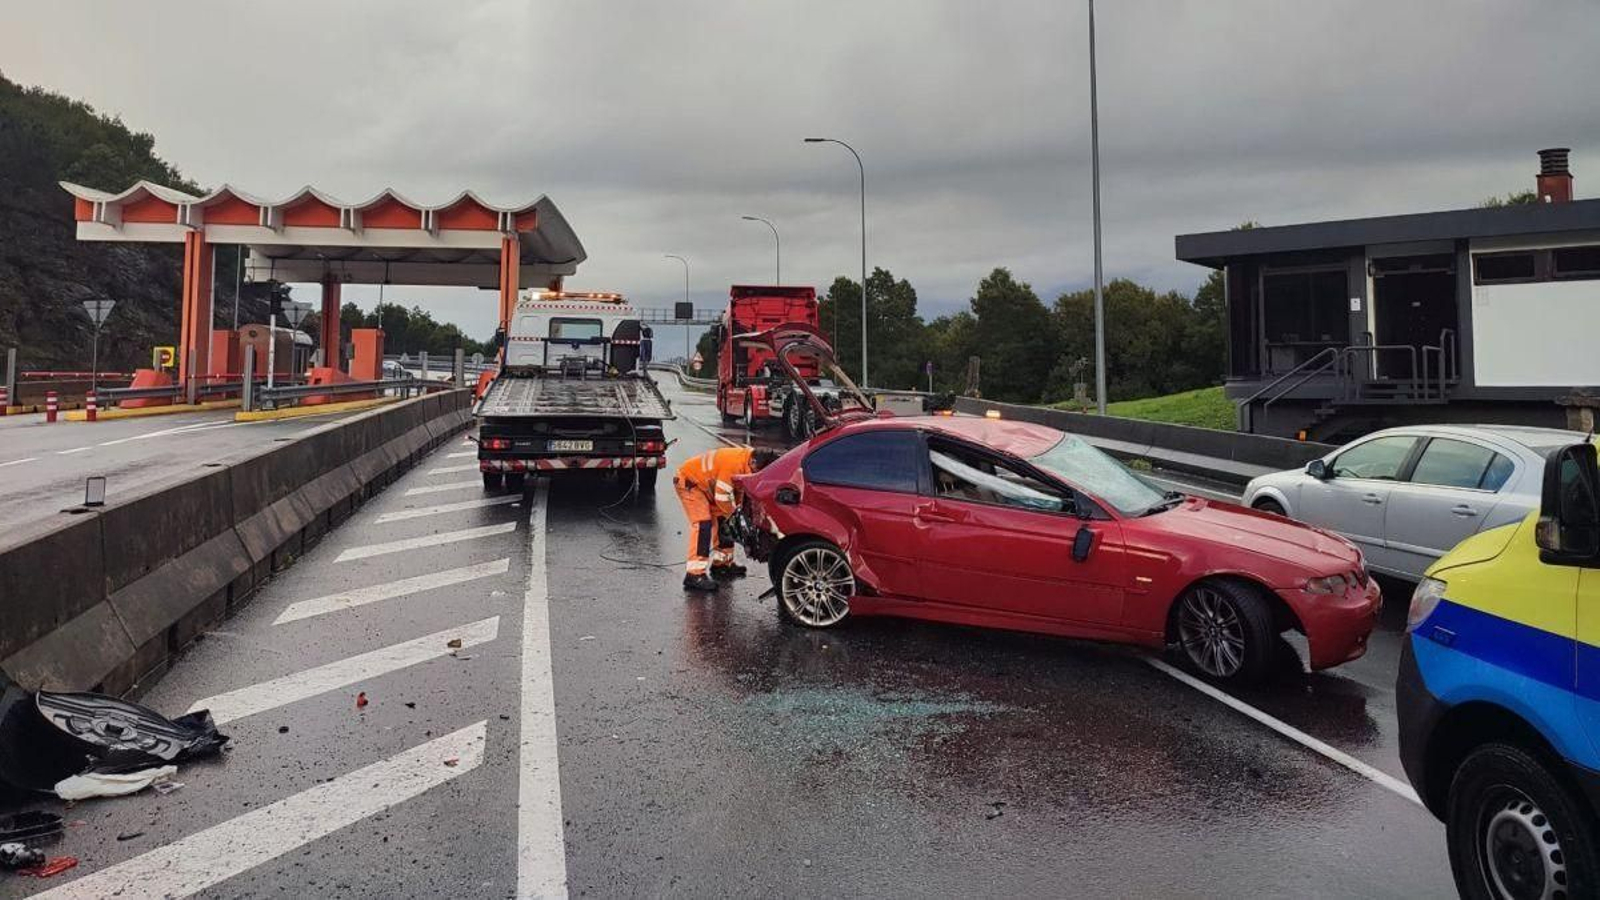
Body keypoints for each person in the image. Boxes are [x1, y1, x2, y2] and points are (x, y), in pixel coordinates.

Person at [674, 446, 782, 591]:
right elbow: (722, 496)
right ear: (753, 463)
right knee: (703, 524)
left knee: (724, 523)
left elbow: (738, 491)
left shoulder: (748, 462)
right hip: (690, 483)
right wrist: (736, 517)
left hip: (708, 486)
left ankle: (722, 564)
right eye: (759, 472)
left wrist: (736, 513)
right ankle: (694, 575)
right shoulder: (735, 464)